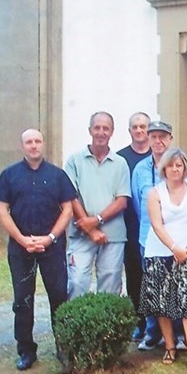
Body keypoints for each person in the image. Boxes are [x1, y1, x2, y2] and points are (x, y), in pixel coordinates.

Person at [0, 128, 77, 372]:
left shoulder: (58, 175)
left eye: (38, 141)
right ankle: (26, 351)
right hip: (21, 249)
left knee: (59, 297)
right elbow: (1, 210)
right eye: (29, 142)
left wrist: (50, 238)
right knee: (23, 300)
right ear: (22, 146)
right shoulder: (9, 175)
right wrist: (21, 239)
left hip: (52, 247)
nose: (34, 146)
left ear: (43, 145)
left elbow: (68, 210)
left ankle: (64, 349)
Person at [130, 120, 187, 351]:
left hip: (180, 241)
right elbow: (138, 204)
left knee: (179, 288)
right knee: (154, 288)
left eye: (162, 136)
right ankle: (152, 334)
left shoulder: (183, 164)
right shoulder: (139, 169)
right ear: (147, 139)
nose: (158, 141)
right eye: (153, 136)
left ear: (170, 138)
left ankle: (178, 335)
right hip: (149, 238)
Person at [140, 147, 187, 372]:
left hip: (186, 254)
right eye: (171, 165)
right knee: (162, 304)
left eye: (179, 165)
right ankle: (169, 346)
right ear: (164, 168)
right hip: (159, 252)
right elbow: (157, 225)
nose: (175, 169)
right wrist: (174, 248)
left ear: (185, 168)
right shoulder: (154, 193)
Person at [64, 112, 131, 299]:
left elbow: (122, 200)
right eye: (97, 127)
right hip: (80, 232)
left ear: (112, 132)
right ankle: (76, 326)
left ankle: (106, 328)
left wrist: (96, 220)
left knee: (110, 284)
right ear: (90, 130)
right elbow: (70, 196)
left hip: (113, 234)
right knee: (77, 282)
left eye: (106, 128)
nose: (101, 132)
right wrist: (90, 229)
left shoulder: (120, 163)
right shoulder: (74, 161)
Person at [117, 111, 152, 339]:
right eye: (135, 127)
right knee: (134, 275)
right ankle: (139, 322)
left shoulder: (160, 156)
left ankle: (158, 323)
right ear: (129, 131)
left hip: (155, 228)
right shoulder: (120, 158)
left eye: (143, 127)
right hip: (130, 225)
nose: (139, 131)